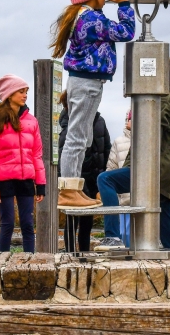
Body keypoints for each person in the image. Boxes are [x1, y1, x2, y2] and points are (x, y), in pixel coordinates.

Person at [50, 0, 135, 209]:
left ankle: (73, 188)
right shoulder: (90, 19)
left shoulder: (84, 16)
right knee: (77, 137)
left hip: (87, 82)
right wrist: (124, 4)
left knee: (83, 137)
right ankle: (68, 190)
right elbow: (126, 32)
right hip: (86, 83)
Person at [97, 58, 170, 250]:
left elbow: (146, 130)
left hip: (158, 170)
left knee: (106, 180)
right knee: (168, 231)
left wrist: (136, 123)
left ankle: (113, 237)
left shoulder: (161, 99)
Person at [0, 74, 46, 252]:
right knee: (7, 223)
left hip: (26, 179)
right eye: (21, 91)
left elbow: (37, 154)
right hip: (4, 180)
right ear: (9, 94)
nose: (25, 95)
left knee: (27, 224)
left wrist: (40, 184)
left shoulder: (32, 122)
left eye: (26, 91)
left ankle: (30, 263)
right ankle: (0, 262)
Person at [57, 90, 110, 252]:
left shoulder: (100, 121)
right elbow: (63, 158)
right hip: (76, 182)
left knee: (87, 223)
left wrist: (101, 178)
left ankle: (85, 253)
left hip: (95, 178)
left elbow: (106, 149)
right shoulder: (68, 127)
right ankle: (71, 253)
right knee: (72, 221)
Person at [105, 109, 132, 246]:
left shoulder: (150, 140)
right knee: (125, 238)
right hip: (124, 202)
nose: (130, 120)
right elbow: (111, 169)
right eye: (129, 118)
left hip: (144, 202)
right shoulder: (118, 142)